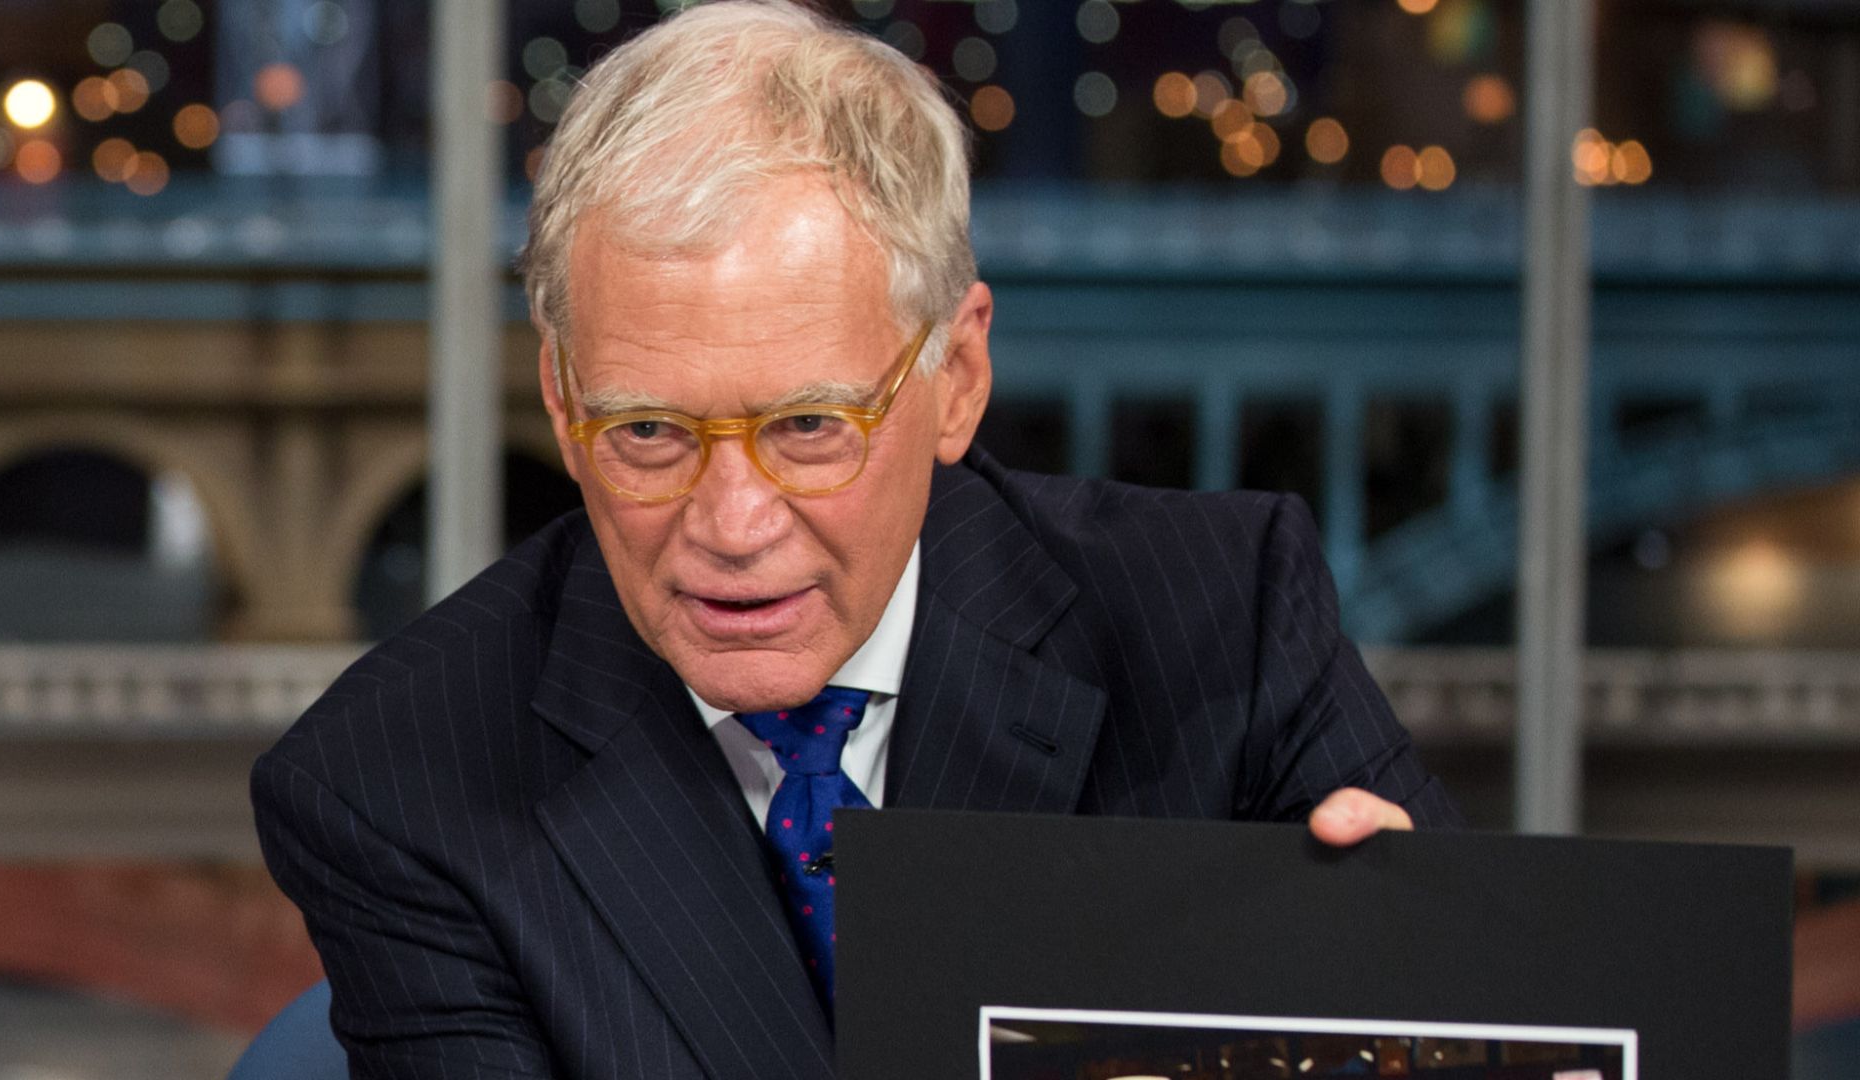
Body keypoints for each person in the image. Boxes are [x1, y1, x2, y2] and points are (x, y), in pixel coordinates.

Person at [251, 2, 1460, 1076]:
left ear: (960, 375)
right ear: (565, 407)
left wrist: (1438, 1003)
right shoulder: (394, 782)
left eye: (811, 426)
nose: (731, 526)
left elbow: (1471, 1018)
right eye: (650, 432)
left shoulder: (1223, 622)